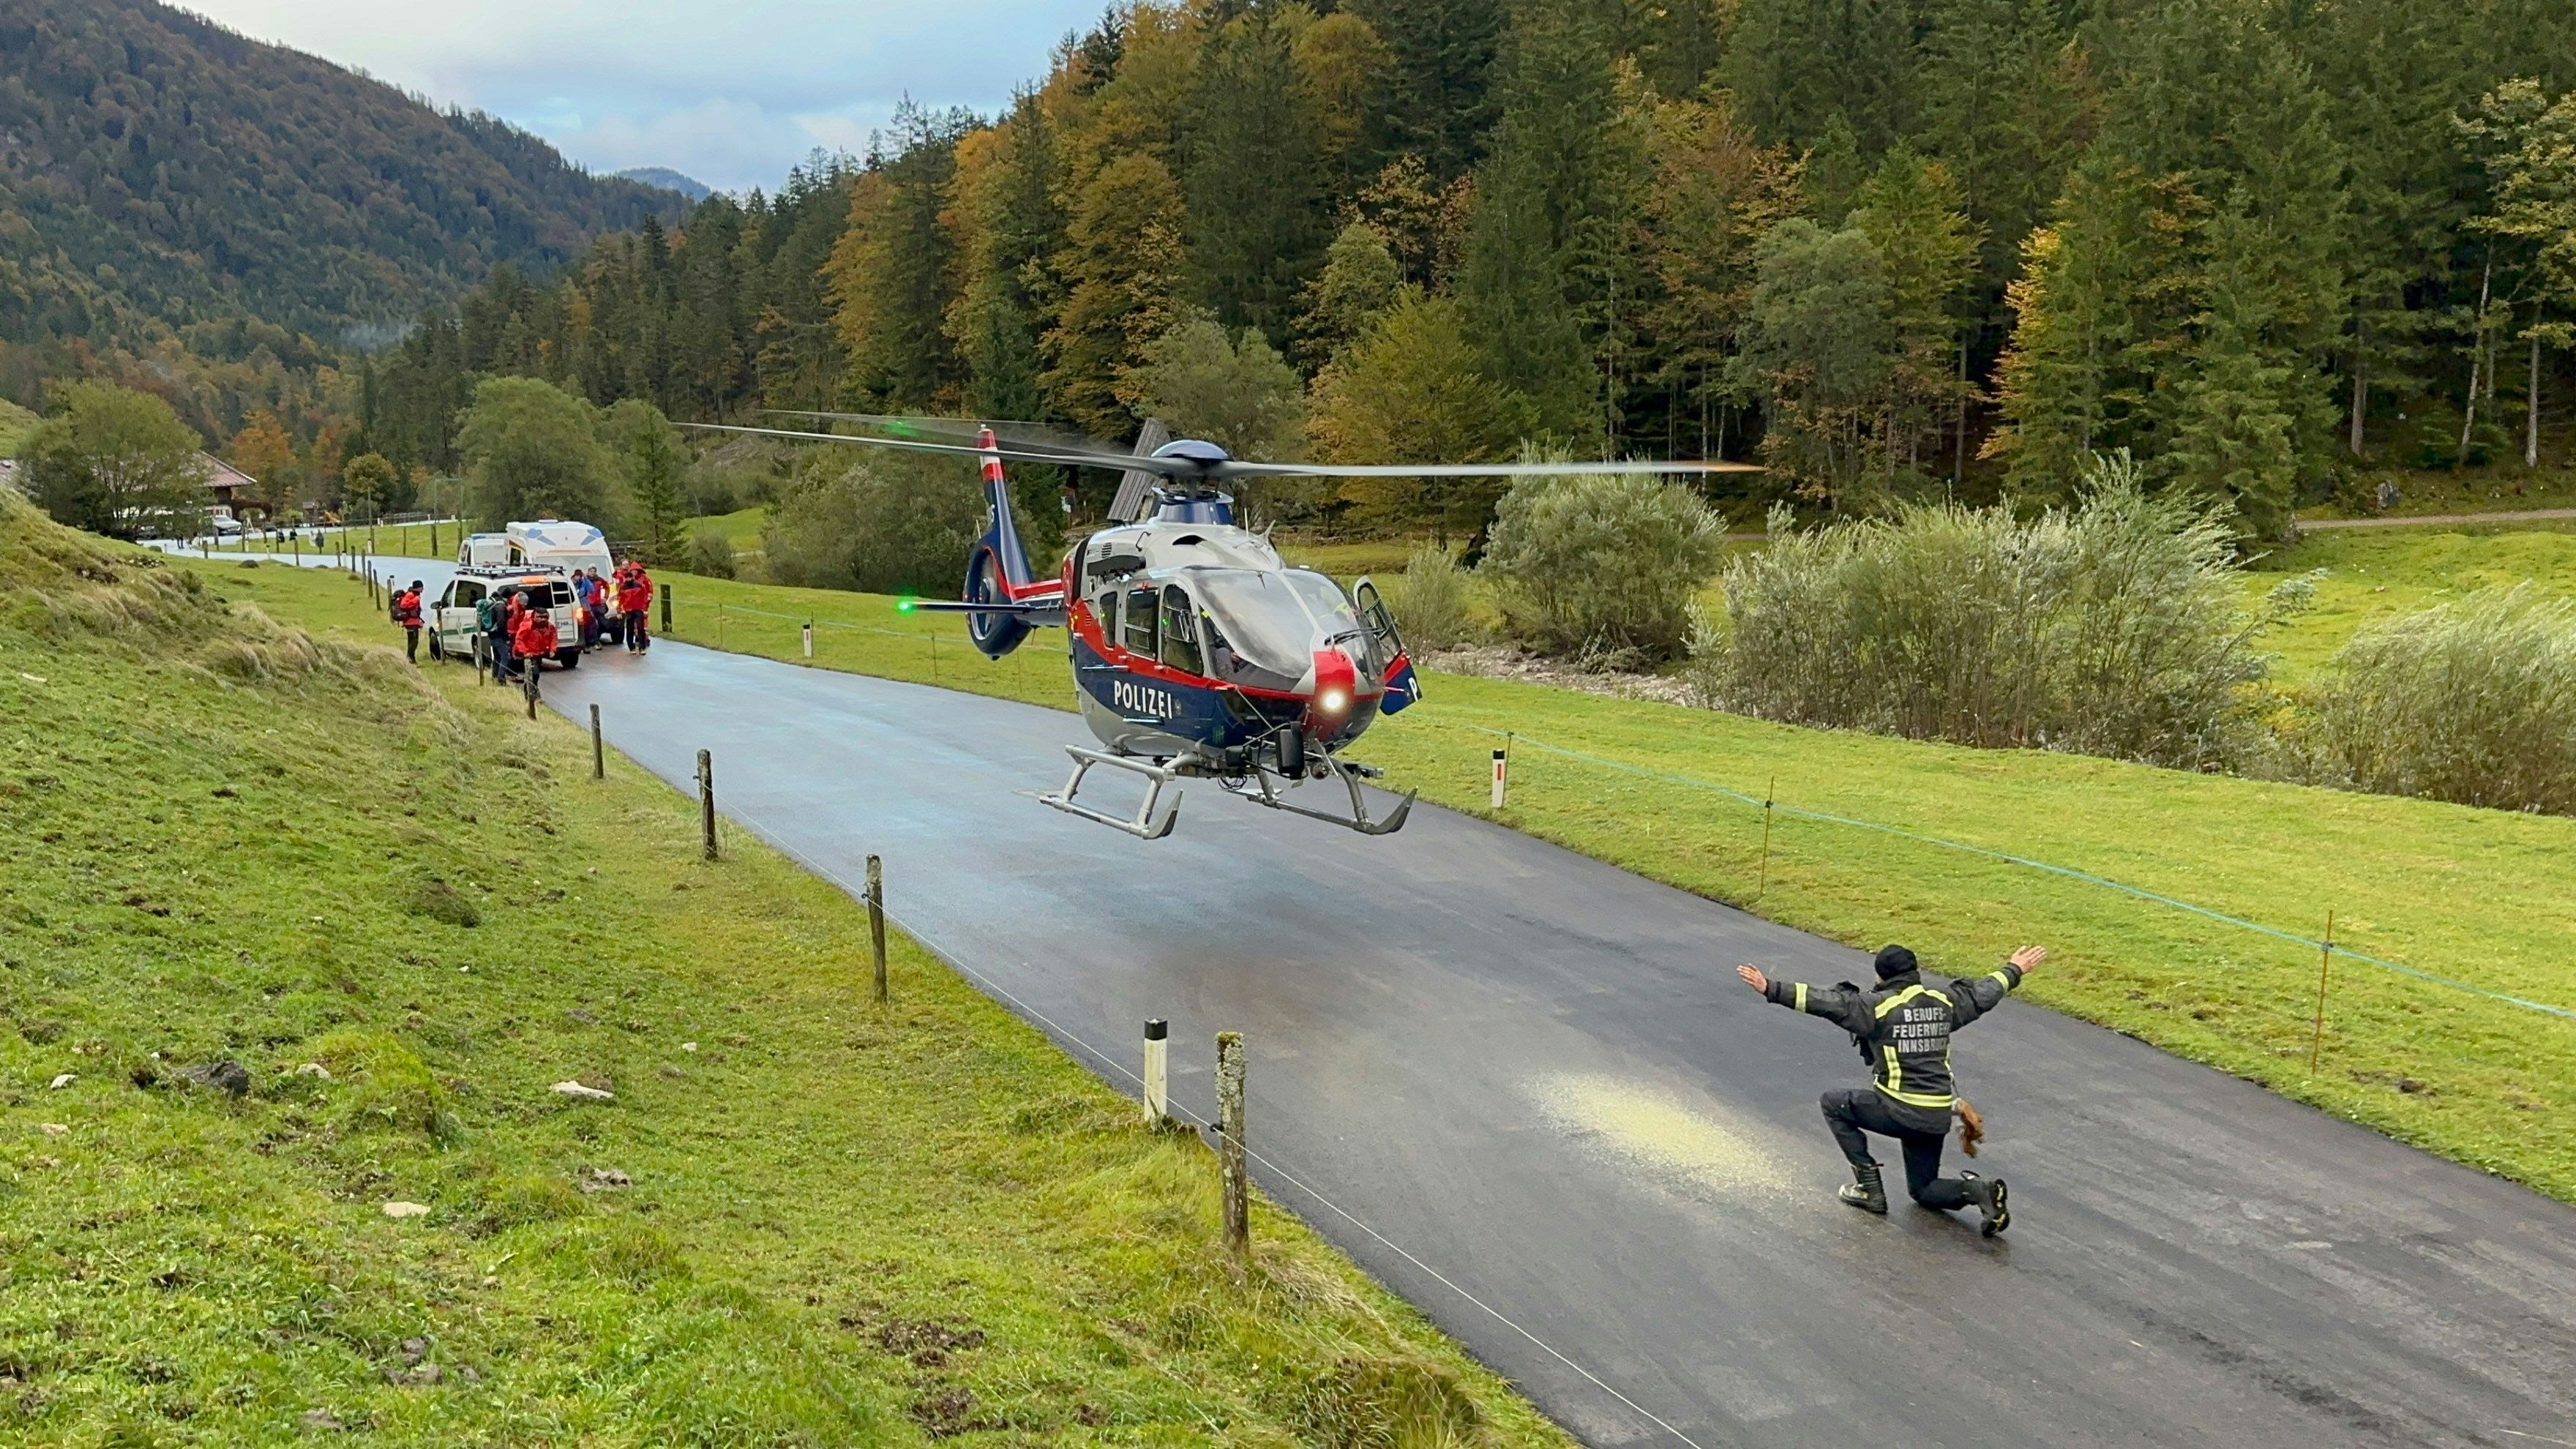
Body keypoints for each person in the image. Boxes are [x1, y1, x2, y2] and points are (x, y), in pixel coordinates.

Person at [1734, 943, 2046, 1236]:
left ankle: (1868, 1188)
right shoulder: (1945, 1002)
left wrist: (1770, 988)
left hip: (1900, 1111)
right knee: (1923, 1190)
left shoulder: (1877, 1007)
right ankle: (1980, 1191)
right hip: (1937, 1115)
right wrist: (2014, 969)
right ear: (1914, 972)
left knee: (1833, 1103)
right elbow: (1982, 994)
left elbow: (1826, 1002)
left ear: (1880, 976)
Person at [512, 592, 560, 682]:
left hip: (539, 653)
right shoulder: (527, 626)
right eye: (540, 617)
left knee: (535, 675)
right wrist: (525, 652)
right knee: (534, 674)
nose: (543, 619)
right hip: (529, 654)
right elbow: (519, 639)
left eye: (545, 617)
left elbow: (554, 637)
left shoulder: (550, 626)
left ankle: (531, 688)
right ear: (535, 617)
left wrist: (552, 650)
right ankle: (531, 689)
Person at [480, 585, 514, 684]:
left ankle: (495, 677)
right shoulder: (501, 606)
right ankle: (501, 679)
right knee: (505, 656)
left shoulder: (495, 604)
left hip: (492, 634)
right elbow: (501, 623)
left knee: (497, 657)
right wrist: (505, 637)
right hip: (498, 635)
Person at [616, 562, 653, 654]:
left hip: (638, 609)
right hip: (628, 610)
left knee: (641, 628)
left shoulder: (639, 585)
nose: (628, 579)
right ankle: (631, 648)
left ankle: (642, 647)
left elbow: (645, 595)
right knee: (630, 629)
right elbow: (620, 599)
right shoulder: (623, 587)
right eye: (627, 577)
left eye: (630, 577)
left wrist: (644, 607)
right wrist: (619, 610)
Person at [393, 580, 425, 664]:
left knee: (412, 641)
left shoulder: (414, 595)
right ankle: (409, 658)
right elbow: (403, 605)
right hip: (410, 622)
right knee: (414, 642)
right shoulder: (411, 595)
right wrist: (415, 600)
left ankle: (412, 660)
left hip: (413, 622)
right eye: (422, 587)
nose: (423, 589)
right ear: (418, 587)